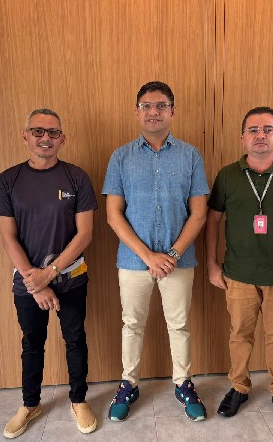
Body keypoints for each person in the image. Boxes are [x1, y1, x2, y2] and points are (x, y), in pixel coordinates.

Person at [102, 81, 209, 422]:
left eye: (161, 105)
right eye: (146, 106)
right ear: (137, 112)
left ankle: (183, 383)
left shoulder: (190, 155)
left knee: (179, 325)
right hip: (134, 261)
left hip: (180, 260)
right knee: (132, 324)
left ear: (172, 111)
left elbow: (199, 213)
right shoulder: (121, 157)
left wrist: (172, 254)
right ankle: (129, 384)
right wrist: (148, 256)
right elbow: (113, 214)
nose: (153, 112)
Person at [205, 106, 273, 427]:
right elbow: (212, 221)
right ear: (242, 138)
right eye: (253, 130)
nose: (260, 135)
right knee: (239, 334)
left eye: (267, 129)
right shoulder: (228, 175)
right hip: (237, 274)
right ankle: (239, 387)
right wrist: (212, 264)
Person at [0, 109, 98, 438]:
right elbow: (8, 237)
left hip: (71, 277)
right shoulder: (8, 180)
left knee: (75, 339)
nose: (45, 138)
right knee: (32, 343)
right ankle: (30, 404)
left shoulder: (77, 177)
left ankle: (78, 400)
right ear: (26, 136)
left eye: (53, 133)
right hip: (27, 282)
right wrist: (35, 283)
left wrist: (49, 274)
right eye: (38, 131)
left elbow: (84, 235)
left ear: (62, 139)